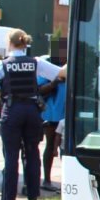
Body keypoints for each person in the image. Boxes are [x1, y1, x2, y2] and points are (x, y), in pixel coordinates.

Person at [0, 30, 64, 200]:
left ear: (9, 43)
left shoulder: (2, 65)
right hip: (32, 110)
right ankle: (32, 197)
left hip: (12, 110)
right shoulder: (35, 62)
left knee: (11, 155)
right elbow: (61, 74)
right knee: (32, 153)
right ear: (25, 44)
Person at [37, 57, 67, 192]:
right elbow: (39, 89)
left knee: (66, 148)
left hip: (68, 113)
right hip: (52, 113)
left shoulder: (73, 63)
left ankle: (66, 181)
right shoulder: (49, 66)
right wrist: (53, 83)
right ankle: (47, 180)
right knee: (51, 145)